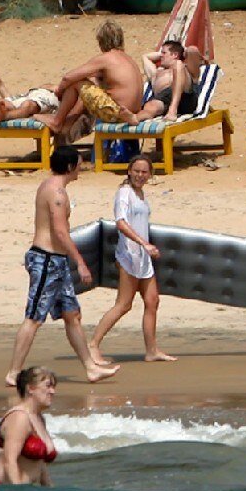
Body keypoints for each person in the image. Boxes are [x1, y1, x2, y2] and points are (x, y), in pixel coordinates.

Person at [6, 146, 120, 387]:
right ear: (70, 167)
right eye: (79, 164)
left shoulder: (51, 186)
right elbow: (60, 231)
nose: (82, 168)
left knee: (72, 315)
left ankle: (90, 368)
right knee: (34, 318)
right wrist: (80, 262)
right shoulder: (56, 192)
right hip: (46, 260)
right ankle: (14, 372)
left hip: (56, 262)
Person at [89, 155, 177, 363]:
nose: (140, 175)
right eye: (136, 171)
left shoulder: (141, 194)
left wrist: (147, 247)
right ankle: (92, 344)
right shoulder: (124, 193)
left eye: (144, 172)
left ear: (150, 175)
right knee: (124, 304)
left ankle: (152, 350)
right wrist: (143, 243)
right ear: (129, 171)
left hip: (144, 257)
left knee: (152, 301)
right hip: (129, 255)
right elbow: (121, 223)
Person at [34, 20, 144, 134]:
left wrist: (59, 90)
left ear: (101, 41)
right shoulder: (129, 60)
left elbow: (68, 78)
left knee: (76, 82)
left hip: (118, 113)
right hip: (134, 113)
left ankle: (57, 122)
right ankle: (68, 124)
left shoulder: (106, 58)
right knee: (89, 85)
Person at [0, 367, 59, 486]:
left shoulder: (38, 418)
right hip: (1, 490)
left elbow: (40, 464)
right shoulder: (19, 417)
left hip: (24, 490)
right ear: (31, 388)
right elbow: (10, 461)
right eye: (48, 386)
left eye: (53, 387)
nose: (52, 391)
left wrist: (50, 489)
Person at [117, 40, 205, 125]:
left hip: (186, 97)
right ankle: (135, 118)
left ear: (175, 55)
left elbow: (192, 50)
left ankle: (173, 109)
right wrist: (164, 54)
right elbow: (145, 57)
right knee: (150, 106)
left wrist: (181, 52)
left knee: (178, 65)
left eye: (164, 53)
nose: (161, 56)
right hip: (163, 99)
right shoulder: (156, 73)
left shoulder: (185, 67)